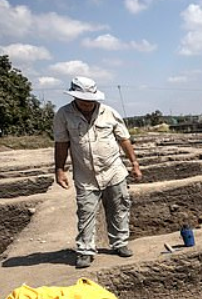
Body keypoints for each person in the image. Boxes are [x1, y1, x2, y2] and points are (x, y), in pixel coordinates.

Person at [53, 76, 142, 269]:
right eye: (83, 100)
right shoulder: (64, 115)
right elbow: (61, 143)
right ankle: (85, 250)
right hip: (86, 175)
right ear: (75, 97)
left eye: (90, 100)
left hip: (113, 171)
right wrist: (60, 169)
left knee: (119, 207)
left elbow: (124, 139)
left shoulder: (109, 113)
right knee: (86, 212)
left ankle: (120, 243)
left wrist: (134, 163)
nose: (87, 104)